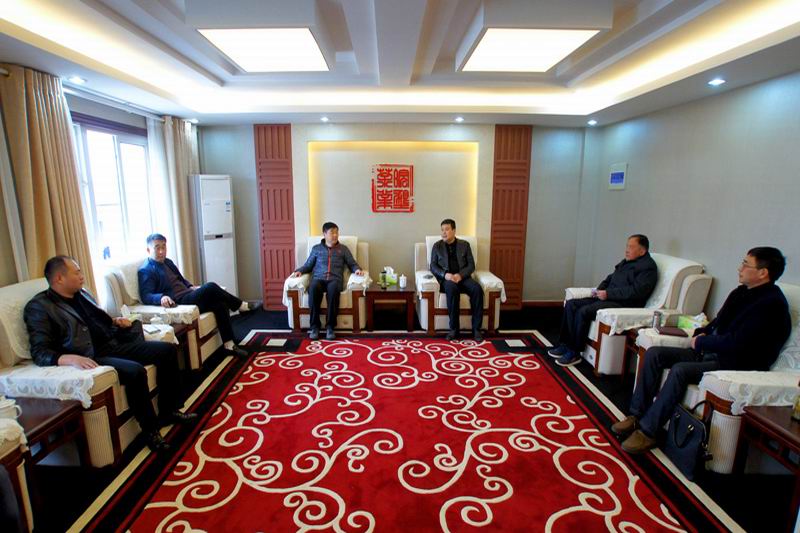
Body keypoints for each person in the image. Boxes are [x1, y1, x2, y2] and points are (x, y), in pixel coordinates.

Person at [614, 247, 792, 454]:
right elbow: (718, 322)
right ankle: (636, 415)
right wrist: (701, 333)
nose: (739, 268)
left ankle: (648, 431)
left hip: (736, 362)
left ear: (763, 272)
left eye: (745, 264)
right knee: (655, 353)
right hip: (713, 351)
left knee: (680, 370)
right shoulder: (741, 292)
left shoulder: (772, 304)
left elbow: (738, 343)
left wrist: (702, 342)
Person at [24, 256, 198, 452]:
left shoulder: (82, 294)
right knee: (135, 371)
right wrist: (70, 358)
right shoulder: (40, 307)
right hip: (91, 354)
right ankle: (151, 431)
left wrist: (115, 321)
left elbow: (97, 320)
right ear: (59, 278)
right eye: (77, 272)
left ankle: (168, 411)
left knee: (167, 350)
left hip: (114, 343)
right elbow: (39, 352)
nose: (82, 276)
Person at [548, 234, 658, 367]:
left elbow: (635, 292)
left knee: (584, 311)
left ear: (642, 251)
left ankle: (574, 352)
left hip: (624, 303)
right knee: (572, 304)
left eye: (631, 247)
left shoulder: (648, 268)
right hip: (608, 297)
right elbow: (611, 277)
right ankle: (565, 344)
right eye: (627, 246)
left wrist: (608, 293)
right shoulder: (627, 261)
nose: (626, 250)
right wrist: (599, 290)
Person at [138, 234, 250, 358]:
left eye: (164, 247)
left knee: (220, 304)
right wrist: (161, 297)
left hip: (188, 294)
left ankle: (229, 345)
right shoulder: (146, 270)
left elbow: (180, 279)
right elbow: (145, 295)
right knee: (211, 286)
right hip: (179, 301)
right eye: (157, 248)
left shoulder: (168, 262)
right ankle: (241, 306)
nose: (161, 251)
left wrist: (190, 286)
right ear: (148, 250)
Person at [291, 222, 363, 341]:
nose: (335, 235)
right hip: (318, 279)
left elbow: (352, 263)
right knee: (313, 288)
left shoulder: (343, 249)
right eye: (332, 233)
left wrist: (357, 270)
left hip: (335, 280)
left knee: (333, 290)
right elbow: (308, 265)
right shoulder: (316, 249)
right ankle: (315, 327)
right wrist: (300, 271)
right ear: (324, 234)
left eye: (336, 232)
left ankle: (330, 327)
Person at [430, 218, 484, 342]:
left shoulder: (464, 245)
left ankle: (476, 329)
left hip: (463, 278)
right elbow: (433, 266)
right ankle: (454, 329)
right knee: (452, 289)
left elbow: (471, 265)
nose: (444, 232)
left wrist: (460, 275)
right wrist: (445, 275)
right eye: (442, 230)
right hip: (447, 280)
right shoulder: (437, 246)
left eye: (447, 229)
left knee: (477, 289)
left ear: (454, 231)